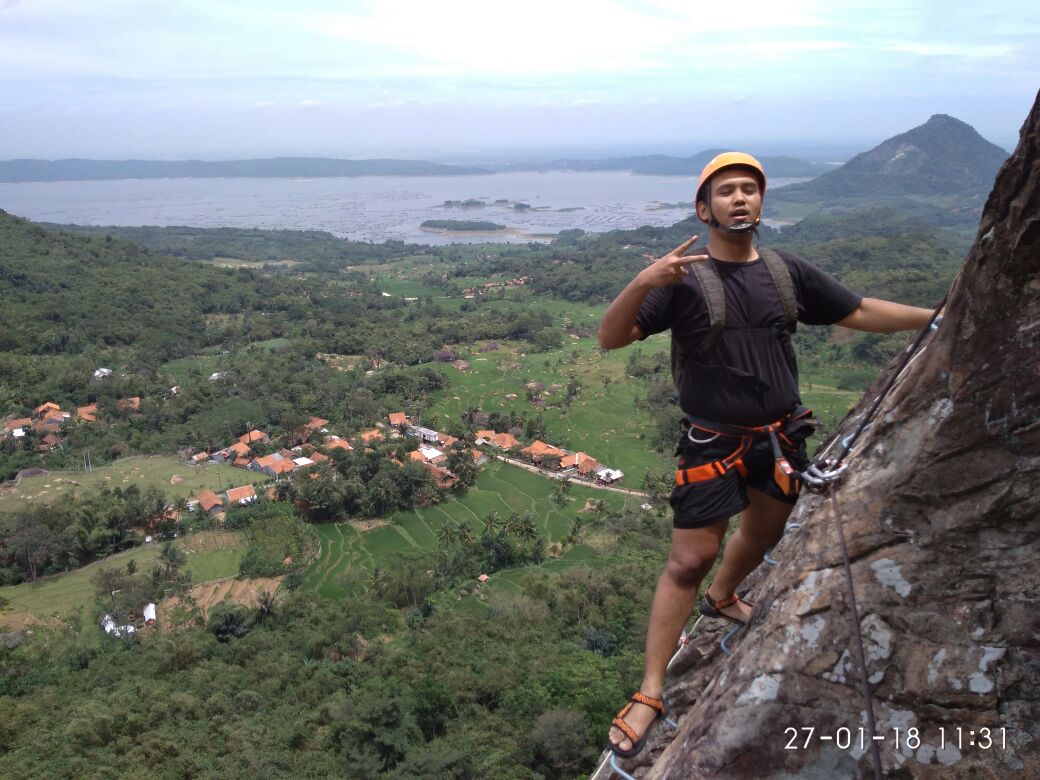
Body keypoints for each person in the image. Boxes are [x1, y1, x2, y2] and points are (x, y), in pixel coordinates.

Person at [598, 152, 937, 757]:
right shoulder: (683, 281)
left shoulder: (785, 272)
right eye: (725, 191)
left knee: (761, 534)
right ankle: (651, 689)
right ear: (704, 209)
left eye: (750, 190)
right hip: (713, 440)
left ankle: (725, 597)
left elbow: (857, 310)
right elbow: (611, 337)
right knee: (688, 557)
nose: (740, 199)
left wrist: (938, 319)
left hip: (780, 438)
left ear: (760, 205)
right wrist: (642, 283)